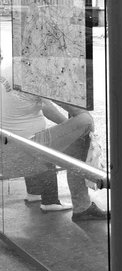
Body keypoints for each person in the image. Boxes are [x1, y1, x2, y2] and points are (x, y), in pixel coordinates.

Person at [0, 62, 107, 222]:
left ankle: (36, 193)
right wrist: (75, 131)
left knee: (53, 132)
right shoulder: (36, 73)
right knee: (85, 121)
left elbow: (44, 106)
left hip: (7, 147)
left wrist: (68, 130)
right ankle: (82, 207)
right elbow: (75, 110)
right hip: (25, 150)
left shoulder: (10, 68)